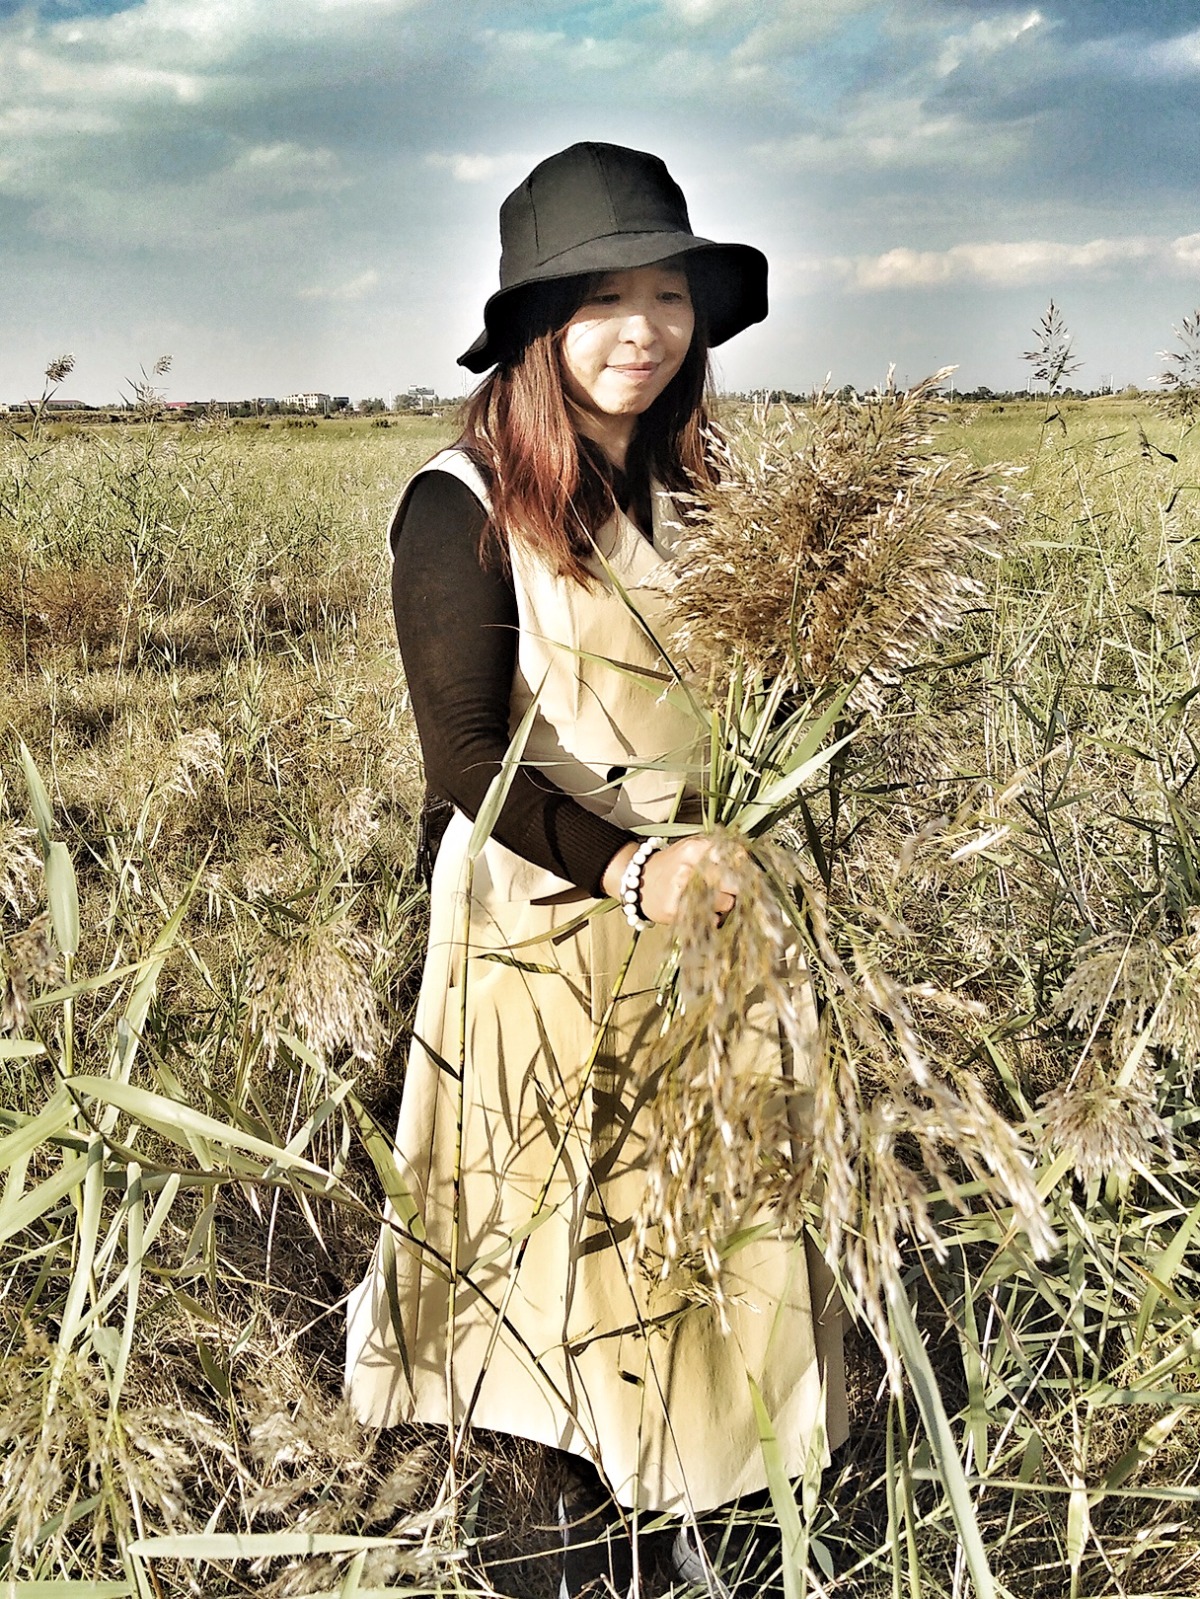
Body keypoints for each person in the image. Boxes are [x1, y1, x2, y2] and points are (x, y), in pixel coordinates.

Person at [345, 141, 847, 1595]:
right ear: (536, 328)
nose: (645, 330)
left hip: (717, 909)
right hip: (549, 917)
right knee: (555, 1226)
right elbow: (466, 759)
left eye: (668, 294)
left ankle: (718, 1502)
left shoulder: (705, 494)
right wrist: (634, 870)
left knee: (716, 1212)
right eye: (603, 300)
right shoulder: (462, 502)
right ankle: (553, 1529)